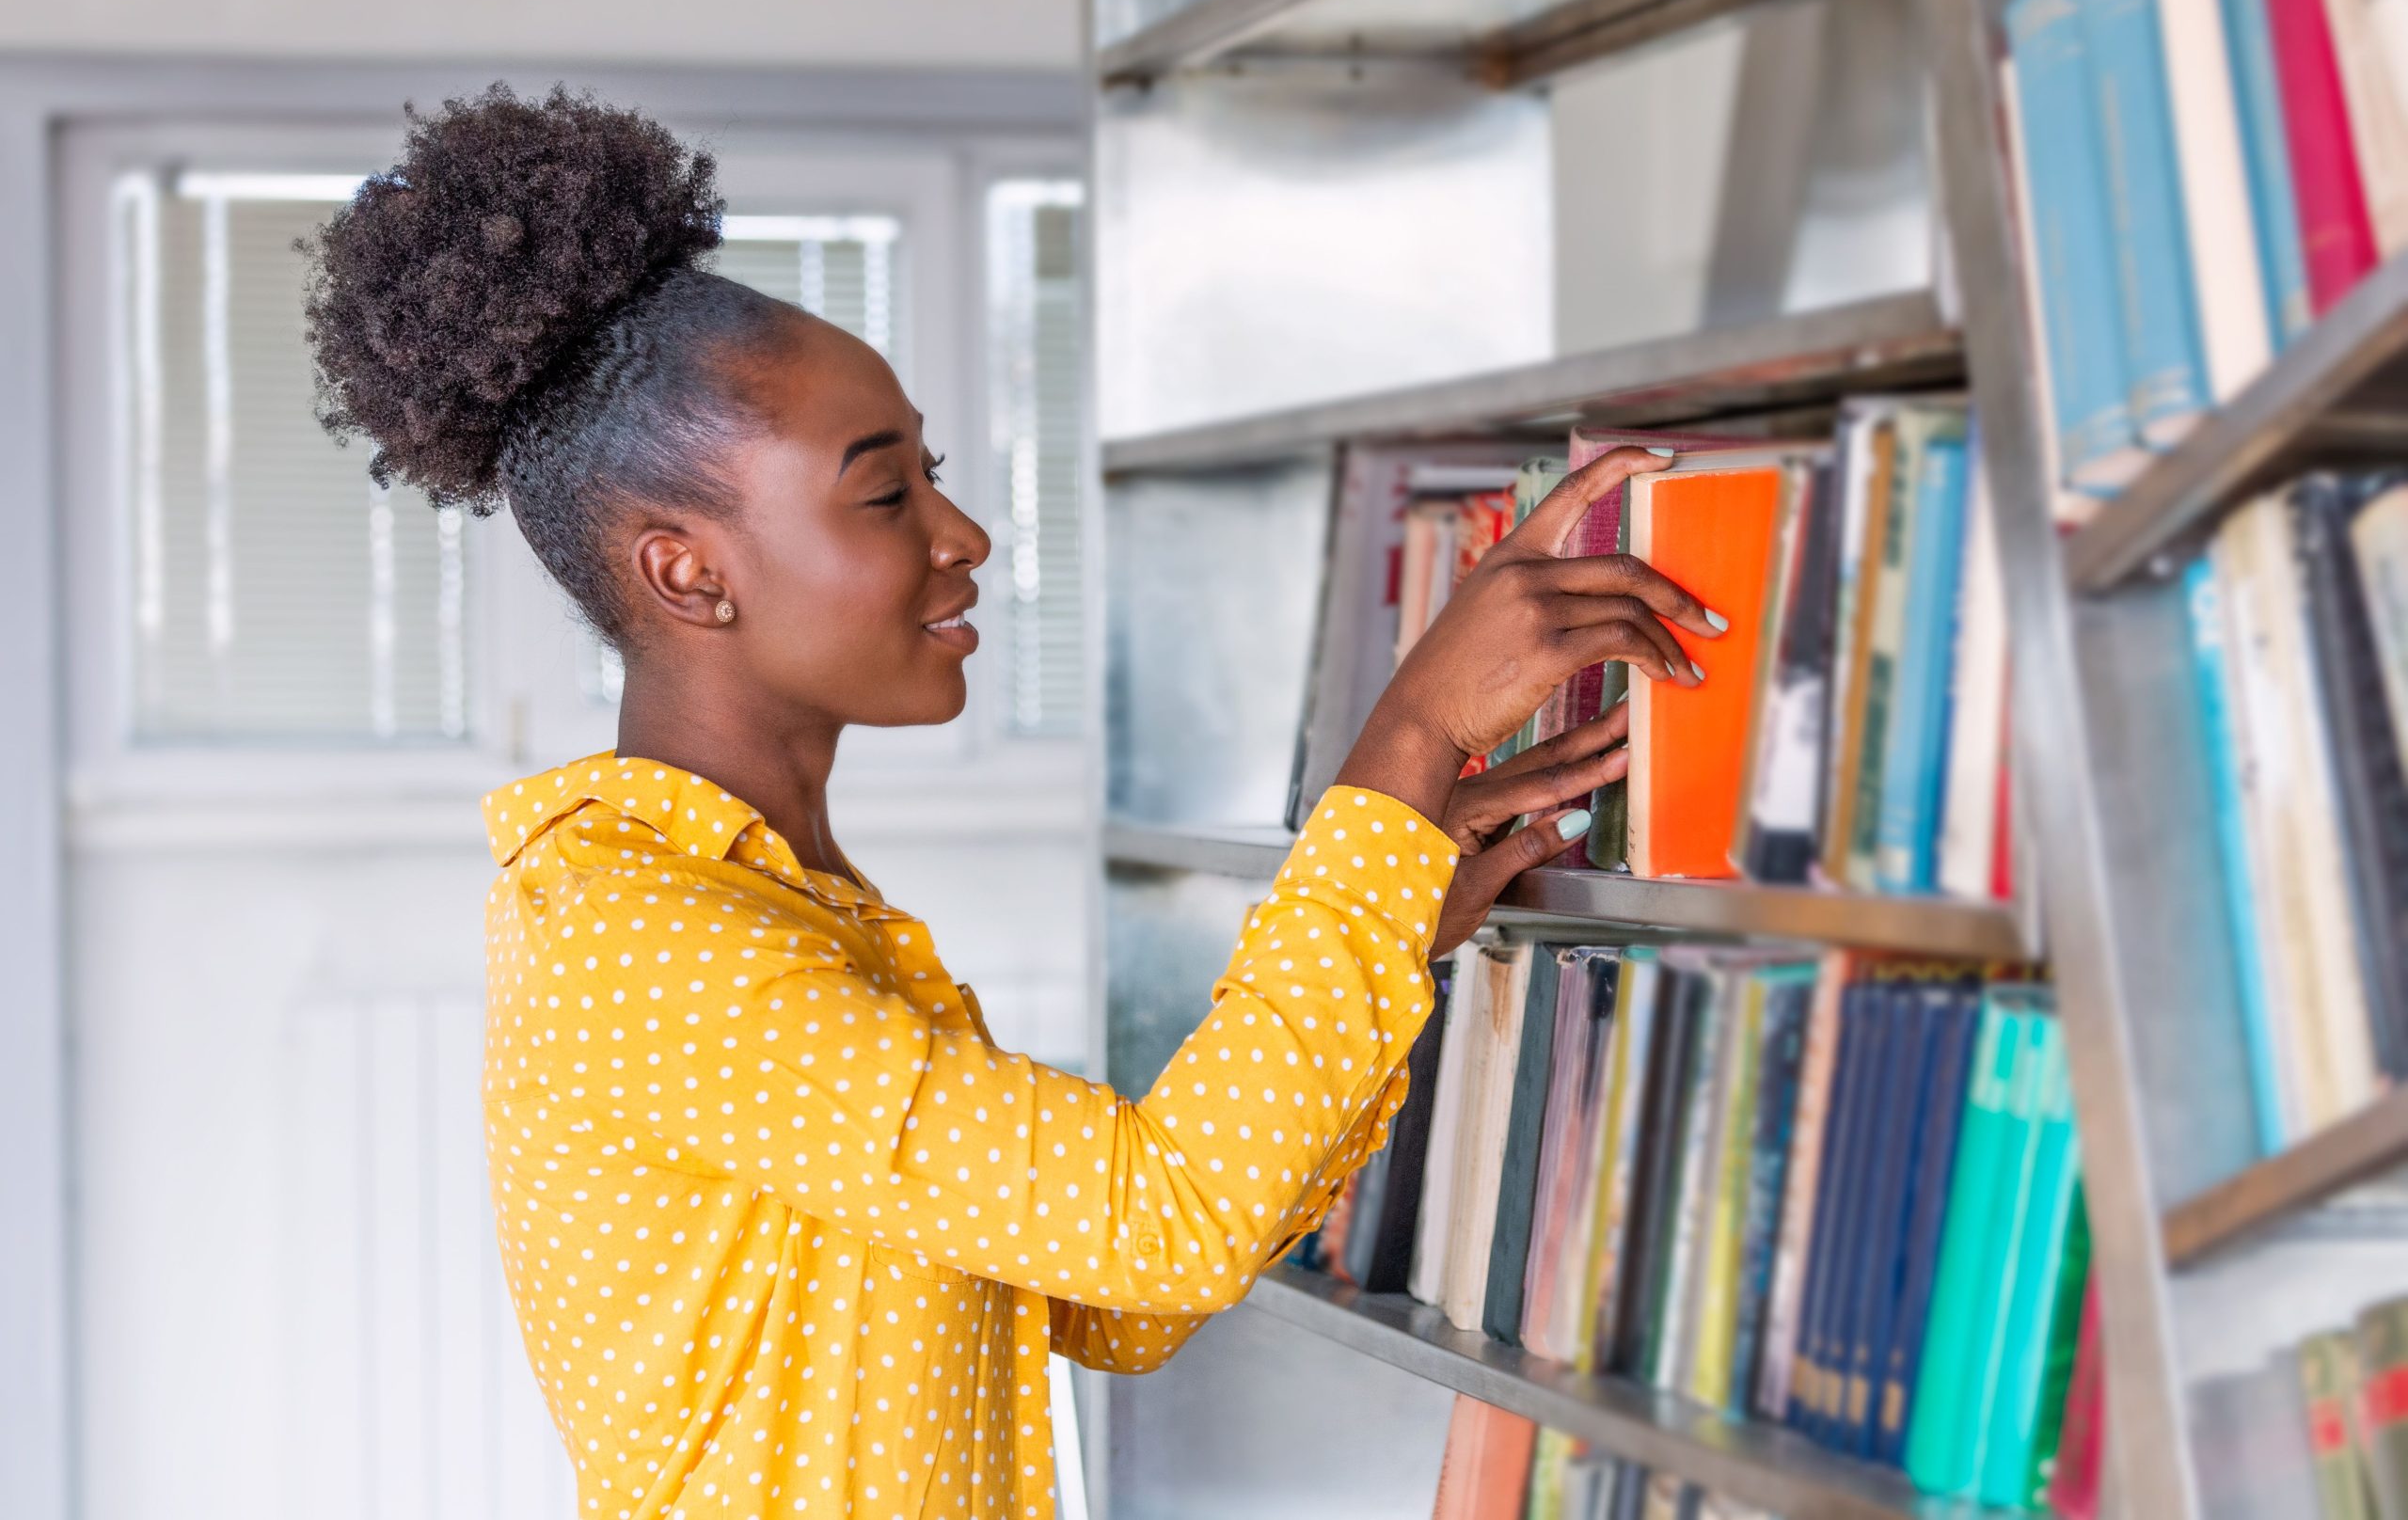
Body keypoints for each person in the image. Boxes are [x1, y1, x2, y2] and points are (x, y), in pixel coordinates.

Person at [301, 83, 1724, 1520]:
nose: (963, 535)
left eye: (935, 474)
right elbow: (1156, 1225)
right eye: (883, 496)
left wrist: (1391, 932)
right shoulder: (645, 938)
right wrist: (1410, 735)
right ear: (688, 573)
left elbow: (1114, 1300)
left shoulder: (773, 903)